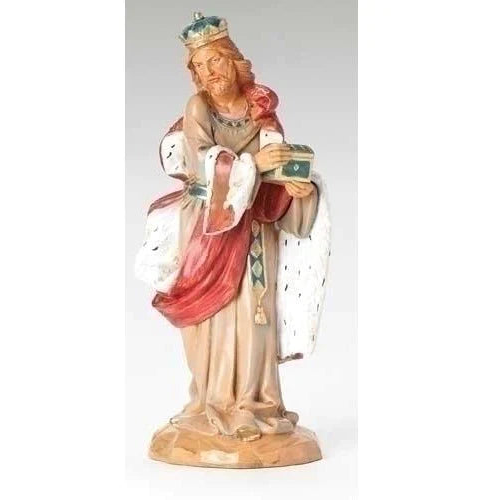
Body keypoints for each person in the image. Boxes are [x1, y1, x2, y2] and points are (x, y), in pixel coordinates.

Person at [150, 13, 319, 443]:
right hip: (212, 227)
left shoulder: (261, 107)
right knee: (217, 318)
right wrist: (253, 165)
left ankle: (254, 402)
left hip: (255, 228)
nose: (209, 72)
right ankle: (217, 401)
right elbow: (203, 162)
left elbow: (276, 164)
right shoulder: (199, 108)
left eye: (216, 60)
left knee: (255, 314)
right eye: (200, 65)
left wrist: (297, 187)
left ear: (234, 60)